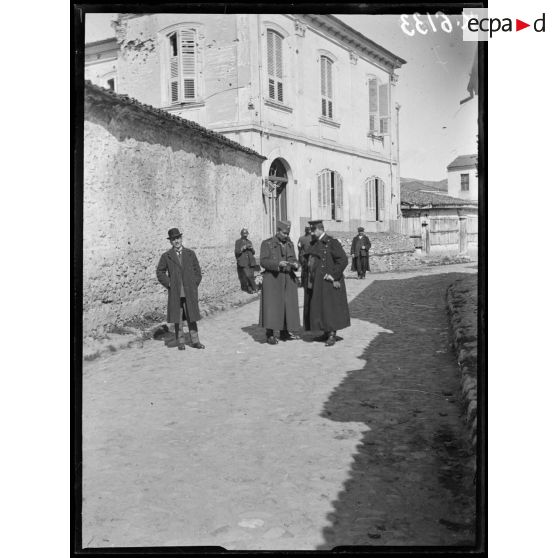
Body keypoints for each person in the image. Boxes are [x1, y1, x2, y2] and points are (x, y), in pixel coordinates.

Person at [303, 220, 350, 346]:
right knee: (321, 307)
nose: (311, 233)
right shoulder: (314, 243)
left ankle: (332, 334)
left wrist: (333, 275)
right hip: (317, 282)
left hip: (329, 281)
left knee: (330, 308)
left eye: (313, 231)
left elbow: (343, 260)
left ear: (319, 229)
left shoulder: (332, 242)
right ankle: (325, 332)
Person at [156, 228, 205, 350]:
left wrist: (194, 284)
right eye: (173, 239)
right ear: (170, 242)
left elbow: (197, 271)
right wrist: (169, 283)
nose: (176, 241)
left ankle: (195, 341)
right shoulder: (166, 256)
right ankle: (181, 342)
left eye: (178, 238)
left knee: (191, 316)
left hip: (189, 291)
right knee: (178, 318)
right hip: (176, 293)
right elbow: (160, 272)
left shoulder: (190, 254)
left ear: (181, 239)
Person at [258, 219, 301, 344]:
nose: (286, 236)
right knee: (272, 306)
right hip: (273, 279)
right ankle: (270, 333)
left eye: (288, 233)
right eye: (284, 233)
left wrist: (296, 264)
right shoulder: (267, 243)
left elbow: (293, 258)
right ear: (277, 231)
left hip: (288, 278)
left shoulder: (290, 244)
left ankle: (284, 331)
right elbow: (263, 261)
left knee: (287, 305)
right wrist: (277, 264)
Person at [234, 228, 259, 294]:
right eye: (244, 234)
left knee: (251, 275)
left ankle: (250, 289)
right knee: (247, 275)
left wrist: (251, 248)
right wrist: (243, 248)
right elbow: (236, 252)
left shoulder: (249, 241)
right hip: (243, 262)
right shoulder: (238, 242)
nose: (245, 235)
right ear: (241, 234)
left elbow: (253, 252)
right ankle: (255, 287)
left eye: (246, 234)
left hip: (250, 261)